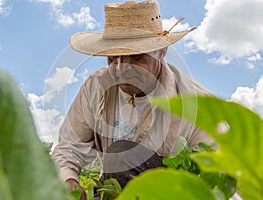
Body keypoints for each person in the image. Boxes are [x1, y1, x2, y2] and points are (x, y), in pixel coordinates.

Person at [52, 0, 215, 198]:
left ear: (161, 53)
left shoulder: (197, 102)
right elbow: (69, 148)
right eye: (113, 58)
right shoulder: (95, 87)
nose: (121, 69)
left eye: (137, 58)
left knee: (122, 154)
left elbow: (218, 176)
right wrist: (69, 180)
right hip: (114, 191)